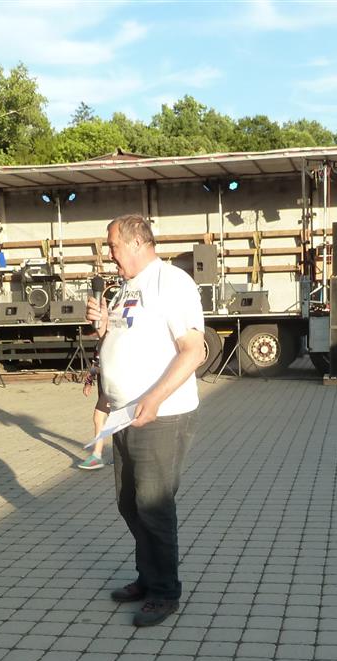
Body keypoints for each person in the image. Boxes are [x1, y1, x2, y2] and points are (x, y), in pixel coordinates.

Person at [86, 214, 205, 627]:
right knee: (129, 502)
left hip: (160, 415)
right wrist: (103, 327)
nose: (109, 254)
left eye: (113, 246)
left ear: (137, 243)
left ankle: (165, 592)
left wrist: (153, 399)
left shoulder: (170, 282)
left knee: (153, 506)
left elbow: (194, 350)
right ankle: (148, 575)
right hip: (125, 414)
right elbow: (126, 340)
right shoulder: (127, 287)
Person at [77, 358, 109, 470]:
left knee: (98, 418)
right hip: (103, 386)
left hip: (113, 385)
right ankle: (123, 455)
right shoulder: (99, 348)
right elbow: (95, 364)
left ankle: (97, 456)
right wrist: (88, 382)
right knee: (114, 418)